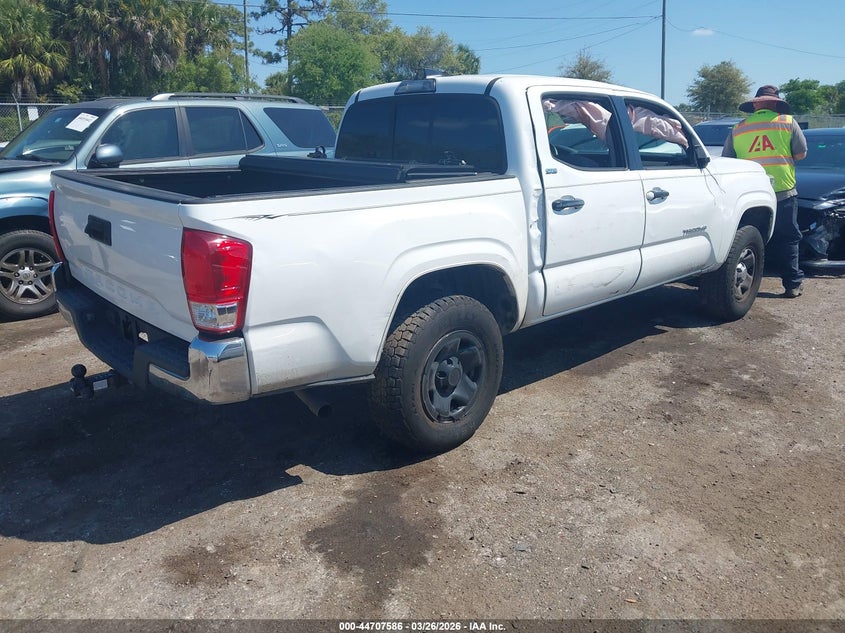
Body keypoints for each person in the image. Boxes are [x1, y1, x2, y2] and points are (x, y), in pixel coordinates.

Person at [723, 85, 808, 298]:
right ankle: (792, 284)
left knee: (748, 238)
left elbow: (728, 161)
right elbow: (801, 154)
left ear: (756, 103)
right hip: (782, 190)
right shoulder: (788, 123)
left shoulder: (739, 128)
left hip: (750, 195)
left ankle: (745, 283)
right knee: (788, 237)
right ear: (776, 103)